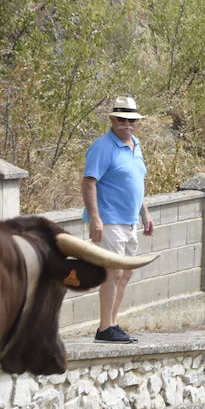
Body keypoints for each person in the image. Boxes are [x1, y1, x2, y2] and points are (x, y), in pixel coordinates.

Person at [81, 95, 154, 343]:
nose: (127, 124)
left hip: (130, 220)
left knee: (125, 274)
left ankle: (112, 324)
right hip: (110, 220)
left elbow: (136, 183)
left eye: (131, 120)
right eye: (121, 119)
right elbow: (89, 181)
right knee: (111, 273)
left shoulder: (136, 144)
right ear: (112, 120)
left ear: (137, 123)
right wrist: (95, 218)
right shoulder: (103, 147)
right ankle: (105, 328)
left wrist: (145, 213)